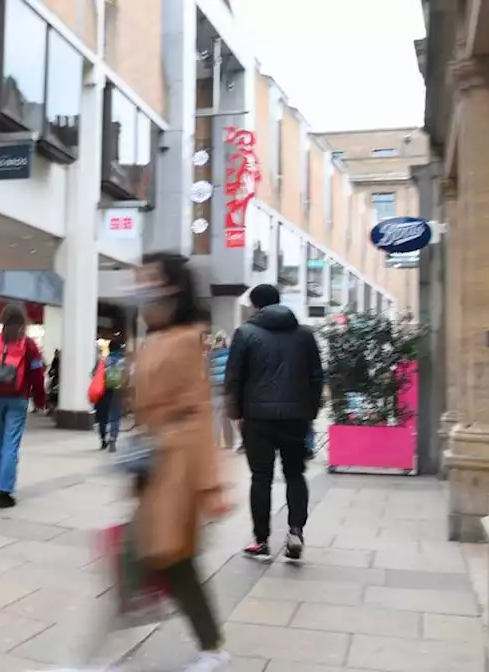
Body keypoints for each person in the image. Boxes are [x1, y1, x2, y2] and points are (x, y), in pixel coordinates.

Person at [132, 252, 232, 672]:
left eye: (149, 279)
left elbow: (198, 413)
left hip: (176, 470)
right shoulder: (154, 337)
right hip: (152, 465)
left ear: (173, 285)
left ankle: (92, 656)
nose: (141, 286)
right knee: (167, 563)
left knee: (158, 559)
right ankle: (211, 647)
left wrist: (210, 486)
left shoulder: (189, 339)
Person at [225, 284, 324, 562]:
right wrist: (310, 412)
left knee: (261, 478)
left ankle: (261, 540)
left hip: (257, 418)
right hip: (296, 417)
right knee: (295, 474)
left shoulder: (245, 333)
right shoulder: (304, 334)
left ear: (256, 305)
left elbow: (234, 378)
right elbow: (316, 376)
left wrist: (236, 415)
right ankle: (295, 531)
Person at [0, 304, 47, 508]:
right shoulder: (28, 345)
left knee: (0, 441)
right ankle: (4, 489)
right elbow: (37, 375)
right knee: (11, 442)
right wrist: (40, 400)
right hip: (19, 397)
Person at [94, 335, 129, 452]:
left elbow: (94, 374)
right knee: (115, 415)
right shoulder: (123, 362)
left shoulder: (103, 361)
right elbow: (128, 376)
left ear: (108, 348)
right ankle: (113, 440)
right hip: (118, 390)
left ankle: (103, 439)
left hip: (104, 390)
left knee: (103, 415)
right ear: (120, 349)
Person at [208, 331, 240, 452]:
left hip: (214, 387)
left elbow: (207, 372)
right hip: (227, 387)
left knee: (216, 415)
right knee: (229, 415)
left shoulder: (211, 356)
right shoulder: (230, 354)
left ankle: (215, 443)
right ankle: (230, 443)